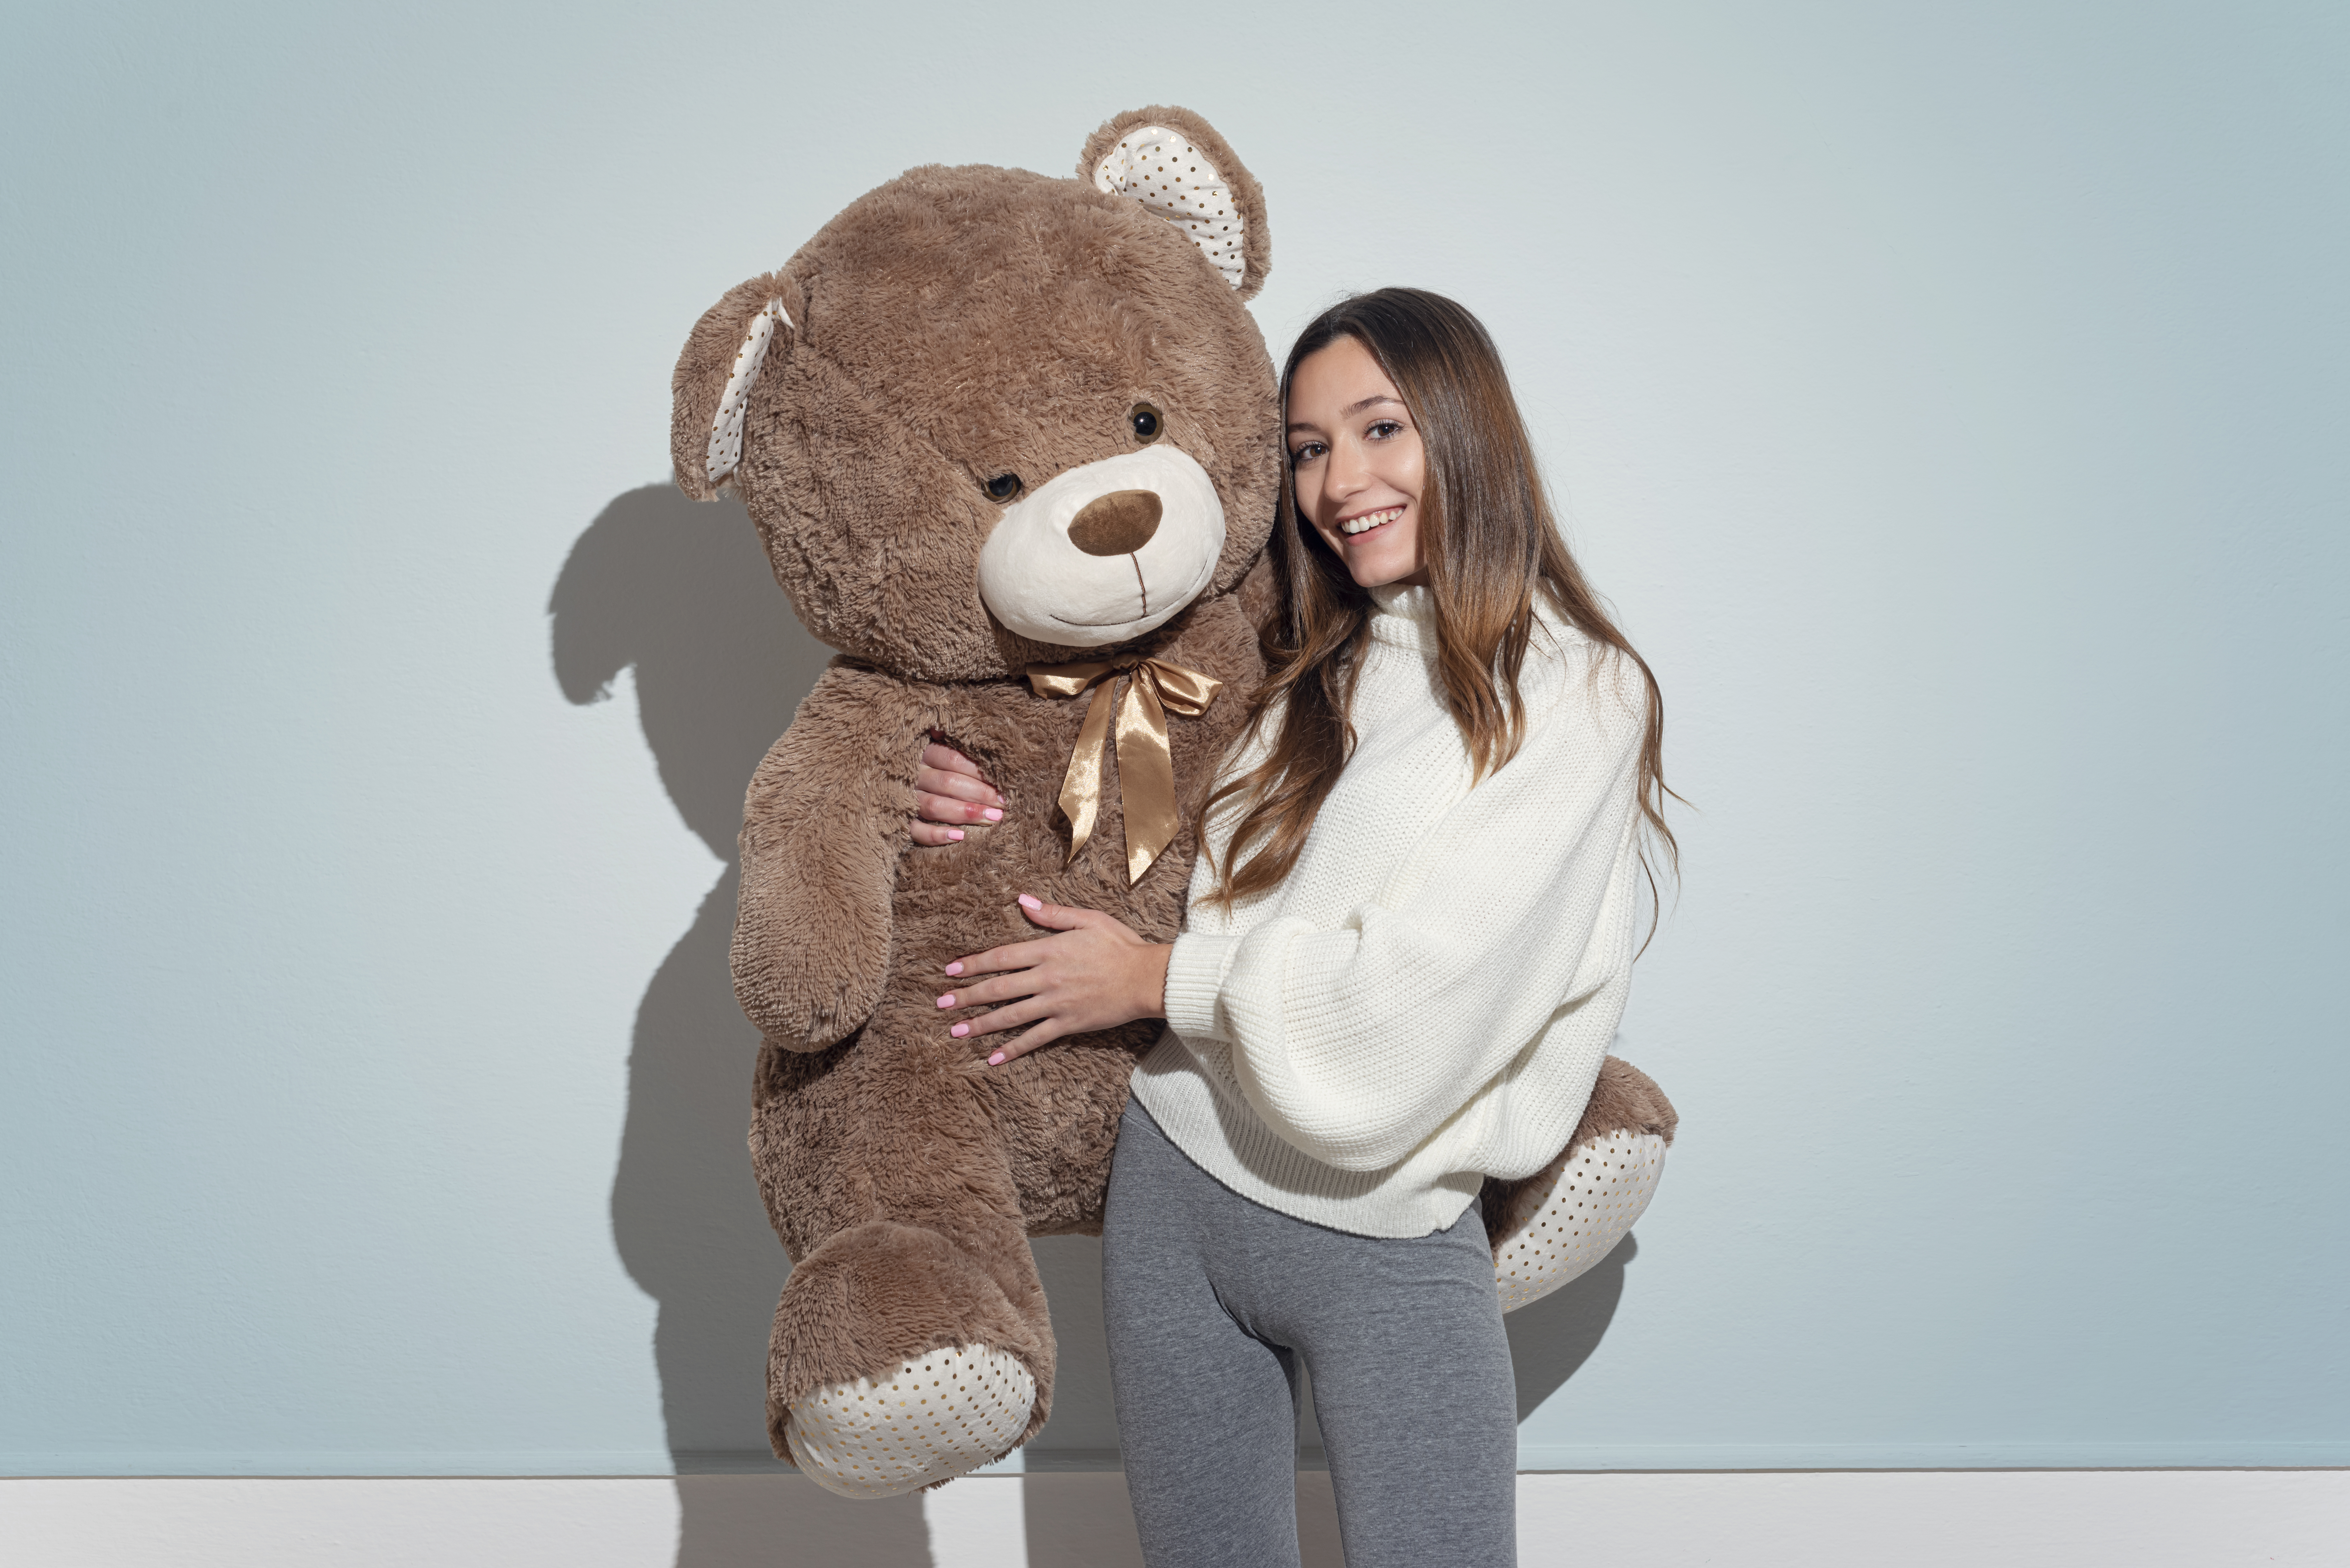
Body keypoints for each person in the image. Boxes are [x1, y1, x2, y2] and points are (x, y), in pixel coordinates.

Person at [913, 288, 1675, 1568]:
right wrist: (964, 791)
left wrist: (1158, 979)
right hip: (1173, 1191)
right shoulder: (1299, 655)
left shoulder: (1578, 691)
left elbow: (1413, 1002)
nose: (1339, 482)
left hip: (1385, 1226)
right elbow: (1104, 773)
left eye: (1381, 430)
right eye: (1310, 448)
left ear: (1466, 432)